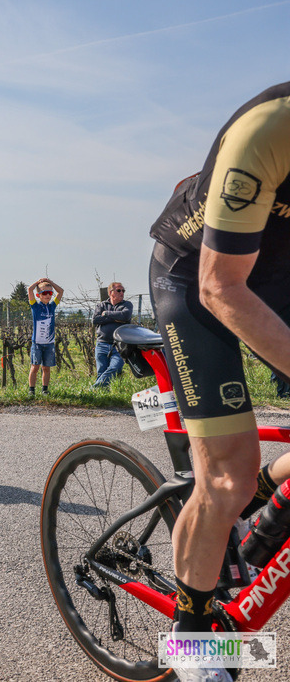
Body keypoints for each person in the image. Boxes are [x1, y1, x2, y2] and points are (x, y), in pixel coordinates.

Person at [148, 81, 290, 682]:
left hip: (278, 275)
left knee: (240, 487)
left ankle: (253, 518)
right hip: (197, 279)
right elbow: (220, 287)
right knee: (226, 474)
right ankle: (192, 642)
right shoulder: (272, 128)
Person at [26, 277, 64, 397]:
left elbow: (61, 291)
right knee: (35, 367)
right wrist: (38, 283)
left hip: (49, 344)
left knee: (46, 368)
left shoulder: (52, 306)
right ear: (39, 295)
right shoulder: (35, 306)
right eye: (44, 293)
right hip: (37, 343)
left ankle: (45, 390)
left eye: (50, 293)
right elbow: (29, 290)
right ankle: (31, 390)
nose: (48, 295)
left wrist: (51, 282)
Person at [91, 282, 133, 388]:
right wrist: (116, 318)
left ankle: (94, 389)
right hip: (102, 343)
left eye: (123, 290)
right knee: (101, 371)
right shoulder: (101, 305)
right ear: (111, 292)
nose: (122, 293)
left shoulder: (127, 305)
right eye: (119, 290)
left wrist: (106, 314)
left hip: (119, 345)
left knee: (115, 367)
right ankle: (102, 397)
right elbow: (95, 320)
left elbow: (125, 316)